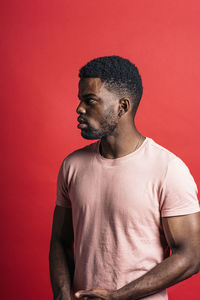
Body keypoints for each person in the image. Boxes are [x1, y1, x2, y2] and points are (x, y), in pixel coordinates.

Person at [49, 56, 200, 300]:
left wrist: (118, 296)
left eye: (90, 100)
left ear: (122, 106)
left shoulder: (168, 169)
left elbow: (191, 256)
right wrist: (63, 294)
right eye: (80, 100)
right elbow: (60, 241)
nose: (79, 109)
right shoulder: (72, 166)